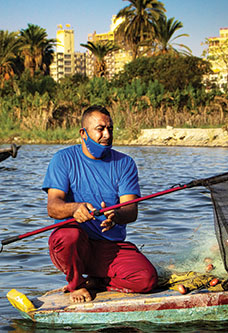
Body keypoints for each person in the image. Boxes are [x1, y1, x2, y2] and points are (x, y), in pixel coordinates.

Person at [42, 105, 158, 303]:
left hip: (109, 246)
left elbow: (131, 210)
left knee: (146, 280)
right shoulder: (63, 159)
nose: (106, 134)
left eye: (110, 129)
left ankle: (99, 281)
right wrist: (74, 208)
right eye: (100, 129)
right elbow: (53, 207)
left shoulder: (125, 163)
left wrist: (117, 216)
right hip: (74, 247)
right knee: (69, 235)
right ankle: (76, 284)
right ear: (83, 133)